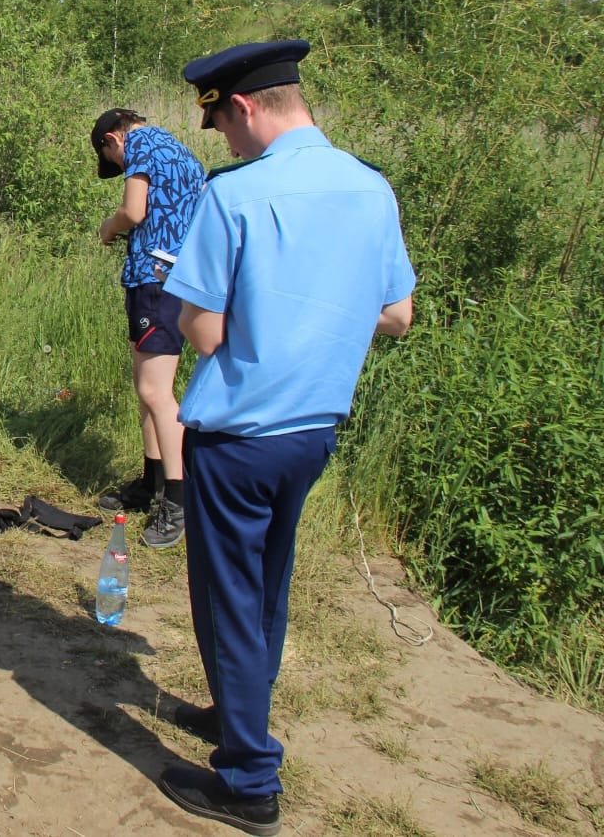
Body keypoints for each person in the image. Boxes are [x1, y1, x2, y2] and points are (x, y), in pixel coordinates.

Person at [156, 40, 415, 836]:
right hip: (313, 431)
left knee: (228, 596)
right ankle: (240, 715)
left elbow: (203, 333)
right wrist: (319, 317)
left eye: (222, 129)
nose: (224, 146)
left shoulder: (236, 197)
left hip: (239, 435)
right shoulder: (371, 190)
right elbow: (397, 315)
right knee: (266, 586)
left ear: (242, 107)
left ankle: (248, 782)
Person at [90, 107, 206, 549]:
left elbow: (134, 211)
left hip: (154, 281)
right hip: (179, 278)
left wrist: (108, 228)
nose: (118, 166)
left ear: (113, 141)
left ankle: (176, 501)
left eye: (111, 161)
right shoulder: (181, 151)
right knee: (147, 388)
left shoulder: (138, 146)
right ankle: (150, 482)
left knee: (157, 393)